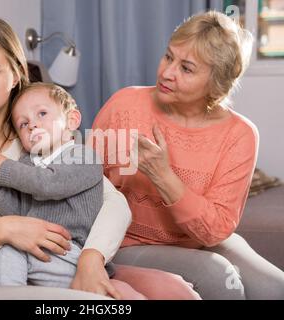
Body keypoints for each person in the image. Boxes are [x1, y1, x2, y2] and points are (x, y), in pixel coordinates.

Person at [0, 17, 201, 299]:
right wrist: (0, 231)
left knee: (173, 292)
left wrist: (91, 260)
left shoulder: (41, 137)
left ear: (17, 75)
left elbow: (114, 204)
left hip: (67, 261)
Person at [91, 11, 284, 299]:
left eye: (187, 68)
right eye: (168, 57)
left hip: (199, 241)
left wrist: (164, 176)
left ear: (216, 83)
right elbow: (83, 187)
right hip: (124, 243)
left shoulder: (240, 134)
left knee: (275, 288)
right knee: (218, 276)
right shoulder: (124, 106)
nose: (168, 72)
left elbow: (215, 230)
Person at [0, 82, 146, 299]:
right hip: (38, 252)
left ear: (72, 120)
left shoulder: (83, 157)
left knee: (8, 253)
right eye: (23, 124)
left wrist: (2, 165)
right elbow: (13, 210)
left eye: (41, 113)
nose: (32, 125)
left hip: (70, 254)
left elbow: (48, 184)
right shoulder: (27, 165)